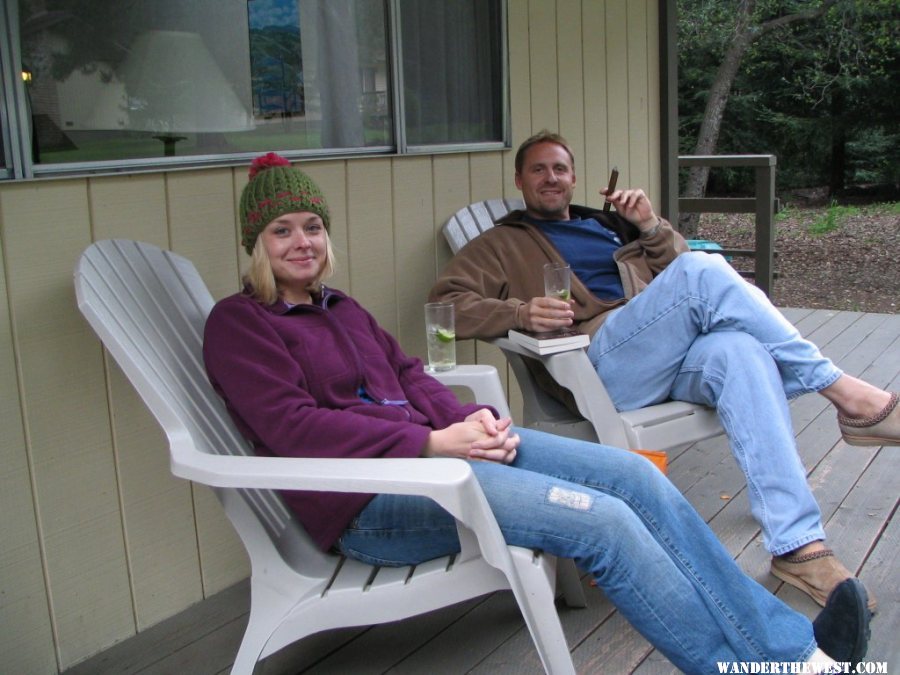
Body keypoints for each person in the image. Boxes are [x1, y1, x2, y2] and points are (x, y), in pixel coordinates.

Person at [203, 152, 871, 673]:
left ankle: (793, 651)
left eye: (313, 227)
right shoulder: (240, 325)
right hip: (374, 504)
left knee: (634, 476)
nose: (302, 242)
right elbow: (295, 428)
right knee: (605, 524)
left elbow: (409, 375)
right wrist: (435, 443)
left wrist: (475, 426)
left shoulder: (340, 307)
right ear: (255, 244)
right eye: (282, 230)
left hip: (438, 461)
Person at [429, 130, 898, 612]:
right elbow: (444, 304)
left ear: (574, 179)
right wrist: (520, 313)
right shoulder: (501, 242)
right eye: (538, 169)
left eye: (560, 169)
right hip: (597, 363)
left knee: (740, 350)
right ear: (520, 180)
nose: (551, 177)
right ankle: (846, 395)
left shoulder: (610, 225)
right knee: (705, 270)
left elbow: (678, 273)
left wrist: (649, 225)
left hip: (665, 351)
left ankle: (798, 546)